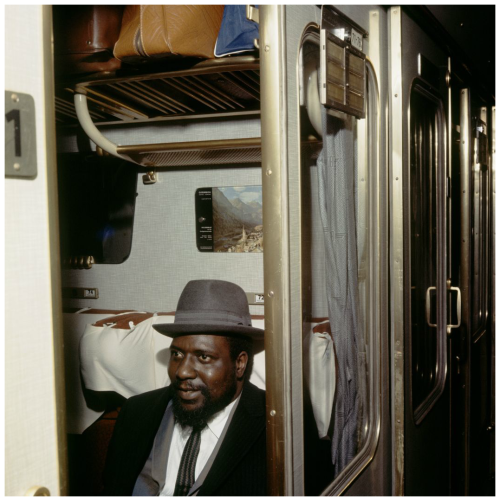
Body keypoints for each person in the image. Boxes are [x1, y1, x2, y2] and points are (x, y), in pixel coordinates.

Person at [103, 279, 266, 496]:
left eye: (203, 356)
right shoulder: (136, 412)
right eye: (177, 355)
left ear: (239, 364)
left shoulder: (275, 425)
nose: (182, 371)